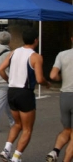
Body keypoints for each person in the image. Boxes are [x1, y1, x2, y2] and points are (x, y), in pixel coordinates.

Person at [0, 27, 50, 162]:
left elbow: (0, 69)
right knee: (27, 129)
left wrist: (8, 80)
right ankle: (16, 157)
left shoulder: (14, 52)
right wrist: (47, 83)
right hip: (25, 92)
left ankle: (6, 150)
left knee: (17, 124)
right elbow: (39, 79)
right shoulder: (35, 57)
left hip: (12, 91)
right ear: (36, 40)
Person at [45, 33, 73, 162]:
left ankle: (54, 151)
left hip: (65, 95)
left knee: (67, 129)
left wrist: (62, 78)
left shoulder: (62, 54)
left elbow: (53, 75)